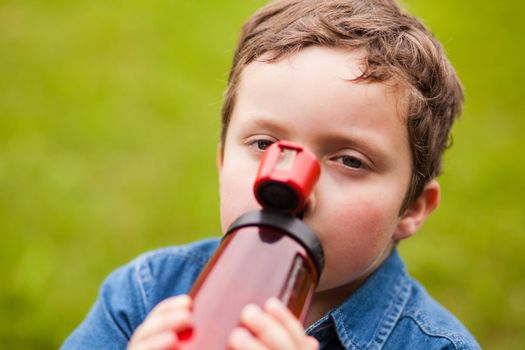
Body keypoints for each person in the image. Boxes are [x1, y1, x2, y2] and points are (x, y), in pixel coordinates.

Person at [62, 0, 481, 349]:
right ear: (223, 160)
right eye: (264, 145)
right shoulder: (141, 297)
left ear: (412, 208)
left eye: (350, 160)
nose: (289, 187)